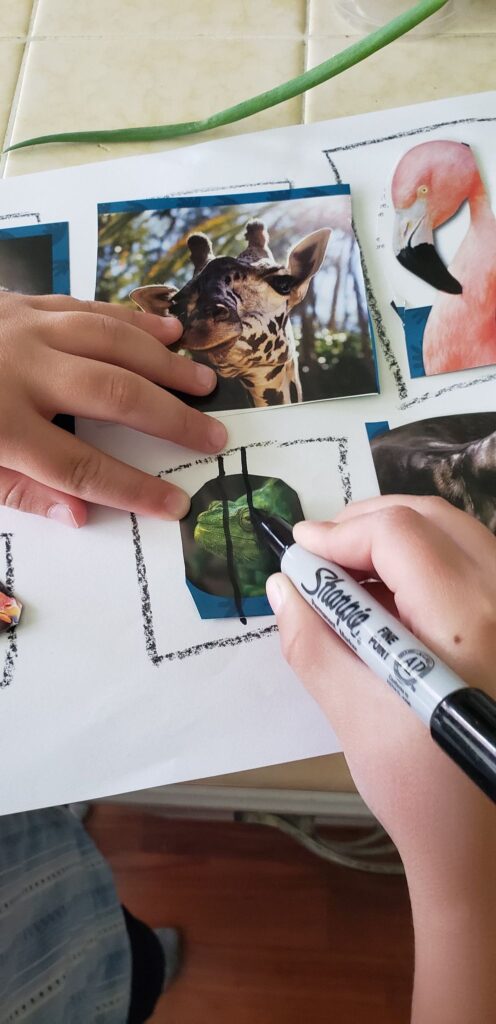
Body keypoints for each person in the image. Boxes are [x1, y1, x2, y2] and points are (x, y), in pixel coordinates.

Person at [0, 292, 494, 1023]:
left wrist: (468, 890)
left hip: (55, 906)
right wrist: (469, 893)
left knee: (119, 961)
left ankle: (139, 967)